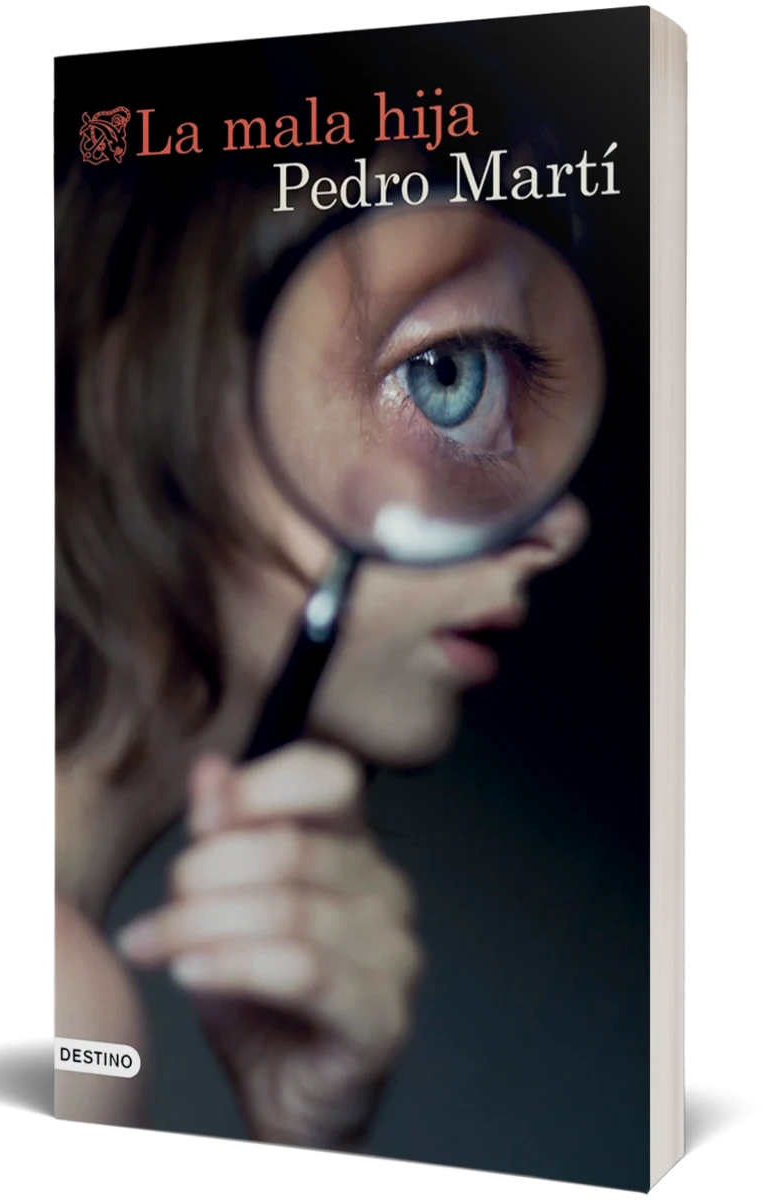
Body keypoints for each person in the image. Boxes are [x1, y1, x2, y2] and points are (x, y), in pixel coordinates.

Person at [52, 78, 603, 1149]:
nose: (560, 522)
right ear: (129, 397)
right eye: (449, 373)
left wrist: (301, 1135)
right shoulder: (68, 1018)